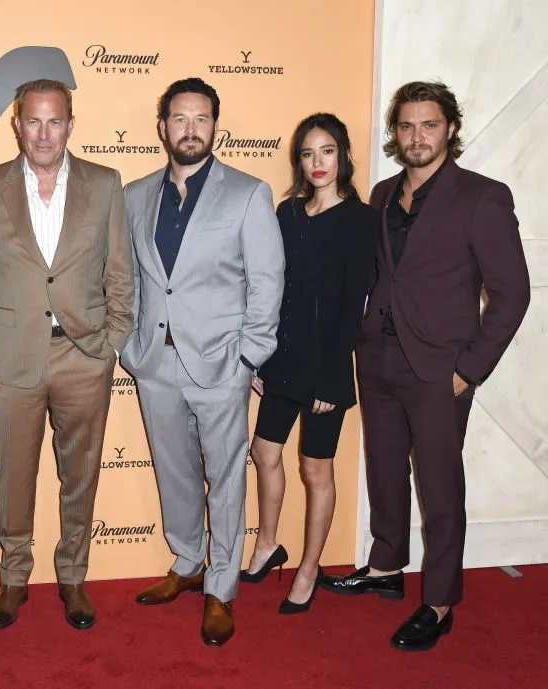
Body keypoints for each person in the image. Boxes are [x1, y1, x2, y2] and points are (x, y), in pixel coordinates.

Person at [321, 81, 530, 651]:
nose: (417, 136)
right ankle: (386, 567)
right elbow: (375, 274)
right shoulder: (383, 194)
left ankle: (439, 602)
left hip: (441, 369)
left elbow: (512, 293)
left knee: (439, 488)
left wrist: (469, 369)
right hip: (378, 358)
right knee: (385, 470)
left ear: (450, 129)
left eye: (429, 125)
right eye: (407, 126)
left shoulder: (483, 197)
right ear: (396, 132)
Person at [0, 79, 134, 631]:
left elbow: (121, 273)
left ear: (70, 125)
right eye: (32, 121)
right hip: (12, 359)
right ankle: (13, 578)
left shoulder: (104, 183)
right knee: (14, 473)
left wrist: (111, 344)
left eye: (54, 121)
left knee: (80, 475)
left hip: (85, 354)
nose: (42, 133)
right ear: (17, 124)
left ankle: (73, 576)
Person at [121, 77, 284, 646]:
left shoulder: (248, 193)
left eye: (201, 119)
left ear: (215, 126)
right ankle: (188, 561)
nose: (190, 129)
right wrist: (129, 347)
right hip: (154, 363)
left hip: (222, 364)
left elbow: (267, 282)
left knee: (226, 479)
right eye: (180, 118)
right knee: (175, 473)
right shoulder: (135, 195)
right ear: (162, 127)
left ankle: (221, 586)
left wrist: (249, 357)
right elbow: (128, 280)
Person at [240, 113, 378, 614]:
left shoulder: (361, 219)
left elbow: (354, 303)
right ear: (298, 160)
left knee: (315, 467)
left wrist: (333, 377)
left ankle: (309, 567)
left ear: (342, 155)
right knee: (264, 451)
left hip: (326, 365)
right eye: (307, 153)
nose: (317, 162)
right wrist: (261, 356)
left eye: (327, 151)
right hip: (282, 357)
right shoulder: (288, 212)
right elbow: (272, 289)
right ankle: (267, 543)